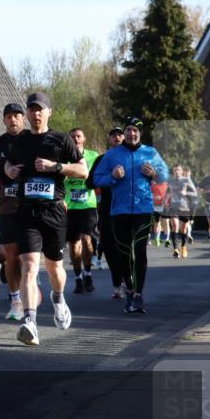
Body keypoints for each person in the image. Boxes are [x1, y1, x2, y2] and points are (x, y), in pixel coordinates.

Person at [4, 92, 87, 347]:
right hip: (27, 211)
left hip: (54, 212)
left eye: (40, 109)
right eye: (32, 109)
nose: (35, 113)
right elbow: (6, 166)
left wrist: (56, 167)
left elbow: (83, 171)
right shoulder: (19, 142)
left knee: (54, 269)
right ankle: (30, 323)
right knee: (29, 265)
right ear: (27, 114)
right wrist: (9, 170)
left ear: (49, 112)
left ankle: (59, 298)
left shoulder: (61, 140)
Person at [91, 117, 169, 314]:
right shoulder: (112, 155)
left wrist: (153, 175)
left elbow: (165, 175)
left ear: (140, 133)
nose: (131, 134)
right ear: (124, 133)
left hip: (143, 209)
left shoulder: (151, 153)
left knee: (140, 249)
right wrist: (112, 177)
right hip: (119, 211)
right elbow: (96, 178)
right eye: (128, 130)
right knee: (124, 252)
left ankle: (139, 294)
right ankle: (130, 290)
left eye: (135, 130)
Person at [0, 102, 26, 320]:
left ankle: (28, 286)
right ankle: (16, 299)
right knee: (10, 254)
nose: (13, 120)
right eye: (9, 116)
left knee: (25, 256)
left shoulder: (32, 140)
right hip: (7, 205)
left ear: (23, 119)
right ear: (4, 120)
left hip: (30, 204)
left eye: (17, 116)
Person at [86, 127, 126, 298]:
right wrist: (111, 176)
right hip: (107, 211)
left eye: (120, 134)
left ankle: (129, 282)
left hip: (127, 210)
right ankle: (117, 282)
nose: (117, 137)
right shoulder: (102, 159)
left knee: (126, 248)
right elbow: (89, 183)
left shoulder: (132, 158)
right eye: (113, 135)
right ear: (109, 139)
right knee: (109, 248)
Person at [65, 128, 99, 294]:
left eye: (78, 136)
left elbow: (99, 176)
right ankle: (78, 277)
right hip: (69, 206)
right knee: (74, 244)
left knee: (87, 240)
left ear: (84, 139)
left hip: (88, 205)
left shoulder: (93, 156)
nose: (76, 139)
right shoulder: (63, 156)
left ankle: (88, 273)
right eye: (72, 137)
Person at [165, 164, 198, 259]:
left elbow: (195, 193)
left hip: (184, 208)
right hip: (173, 207)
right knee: (175, 226)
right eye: (175, 170)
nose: (176, 172)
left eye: (178, 170)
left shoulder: (186, 180)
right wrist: (165, 201)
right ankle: (175, 249)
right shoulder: (170, 181)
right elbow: (167, 191)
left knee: (183, 229)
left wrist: (186, 193)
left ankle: (183, 246)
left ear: (182, 171)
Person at [150, 177, 169, 246]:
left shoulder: (167, 184)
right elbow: (149, 193)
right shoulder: (153, 185)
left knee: (166, 222)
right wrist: (154, 197)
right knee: (157, 222)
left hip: (165, 206)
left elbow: (170, 194)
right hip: (156, 205)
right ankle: (157, 238)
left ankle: (167, 239)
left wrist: (166, 200)